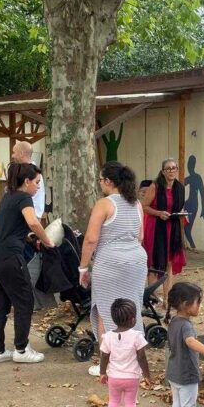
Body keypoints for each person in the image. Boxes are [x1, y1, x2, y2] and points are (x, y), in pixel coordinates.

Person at [78, 161, 148, 377]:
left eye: (100, 180)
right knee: (131, 309)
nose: (100, 183)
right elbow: (140, 236)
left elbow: (90, 239)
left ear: (108, 181)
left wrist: (83, 267)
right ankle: (133, 359)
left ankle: (107, 364)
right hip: (136, 262)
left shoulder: (104, 204)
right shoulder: (136, 204)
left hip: (110, 263)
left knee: (105, 312)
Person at [0, 162, 54, 364]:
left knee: (0, 304)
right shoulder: (24, 197)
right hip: (8, 258)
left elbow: (11, 227)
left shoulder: (9, 196)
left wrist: (28, 237)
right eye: (37, 182)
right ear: (27, 181)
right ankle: (21, 350)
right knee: (24, 301)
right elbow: (33, 222)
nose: (38, 187)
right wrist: (47, 241)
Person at [99, 298, 152, 407]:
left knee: (113, 402)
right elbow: (142, 357)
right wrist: (147, 375)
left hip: (114, 378)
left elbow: (104, 357)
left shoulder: (108, 337)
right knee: (130, 403)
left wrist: (102, 373)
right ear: (133, 319)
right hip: (131, 378)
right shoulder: (136, 336)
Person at [10, 140, 50, 311]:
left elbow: (34, 206)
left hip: (28, 222)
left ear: (21, 153)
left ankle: (30, 300)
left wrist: (42, 236)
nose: (12, 155)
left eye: (14, 152)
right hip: (22, 221)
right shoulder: (21, 171)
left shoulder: (33, 174)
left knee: (28, 263)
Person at [141, 159, 186, 305]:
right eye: (168, 169)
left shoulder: (180, 187)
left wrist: (182, 213)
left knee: (169, 263)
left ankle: (168, 299)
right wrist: (159, 213)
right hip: (156, 228)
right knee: (155, 263)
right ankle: (152, 298)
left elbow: (178, 206)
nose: (171, 171)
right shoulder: (155, 186)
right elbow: (144, 207)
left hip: (172, 228)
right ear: (163, 171)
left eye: (174, 168)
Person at [182, 154, 204, 249]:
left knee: (187, 230)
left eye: (191, 164)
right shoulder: (190, 178)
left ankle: (193, 247)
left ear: (194, 165)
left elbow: (203, 194)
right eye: (188, 164)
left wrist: (203, 209)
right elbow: (180, 185)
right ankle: (188, 246)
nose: (189, 166)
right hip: (188, 203)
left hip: (193, 206)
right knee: (183, 226)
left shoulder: (197, 177)